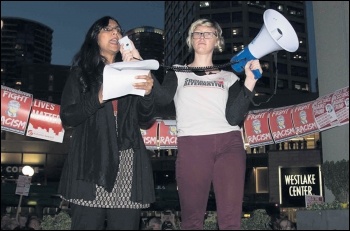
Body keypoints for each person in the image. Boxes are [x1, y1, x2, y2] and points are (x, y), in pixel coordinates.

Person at [152, 18, 262, 230]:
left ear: (217, 41)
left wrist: (250, 80)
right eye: (197, 33)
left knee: (230, 220)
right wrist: (148, 76)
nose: (202, 37)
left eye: (208, 33)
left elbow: (234, 118)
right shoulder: (177, 71)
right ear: (190, 40)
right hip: (192, 145)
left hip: (229, 143)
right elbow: (162, 99)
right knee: (192, 219)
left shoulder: (229, 77)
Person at [58, 16, 156, 230]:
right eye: (107, 29)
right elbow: (68, 117)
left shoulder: (133, 71)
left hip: (128, 160)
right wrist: (98, 97)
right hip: (91, 161)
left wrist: (148, 94)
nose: (115, 33)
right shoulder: (80, 74)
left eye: (118, 30)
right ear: (95, 37)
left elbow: (146, 120)